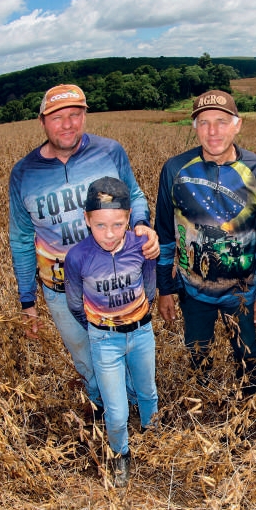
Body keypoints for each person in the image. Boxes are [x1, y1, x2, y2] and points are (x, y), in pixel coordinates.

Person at [8, 84, 158, 423]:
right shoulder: (23, 174)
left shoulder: (110, 151)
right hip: (61, 289)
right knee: (89, 361)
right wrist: (27, 302)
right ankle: (103, 411)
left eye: (75, 115)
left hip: (118, 282)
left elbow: (133, 195)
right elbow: (20, 239)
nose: (67, 124)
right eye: (58, 117)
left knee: (129, 353)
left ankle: (135, 410)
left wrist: (142, 225)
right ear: (42, 122)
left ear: (85, 116)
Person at [155, 90, 256, 396]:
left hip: (243, 291)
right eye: (204, 122)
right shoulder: (175, 169)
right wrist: (164, 289)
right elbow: (165, 236)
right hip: (192, 289)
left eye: (222, 122)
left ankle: (250, 406)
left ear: (238, 125)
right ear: (194, 127)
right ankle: (203, 404)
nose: (213, 131)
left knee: (248, 358)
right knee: (197, 354)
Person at [65, 177, 158, 487]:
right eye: (100, 225)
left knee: (147, 392)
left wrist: (137, 315)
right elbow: (76, 304)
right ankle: (120, 454)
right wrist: (99, 326)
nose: (109, 233)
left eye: (118, 225)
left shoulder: (141, 246)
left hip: (142, 333)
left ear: (129, 218)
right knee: (116, 411)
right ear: (86, 220)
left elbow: (149, 286)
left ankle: (153, 434)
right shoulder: (78, 257)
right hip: (104, 340)